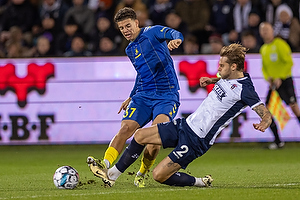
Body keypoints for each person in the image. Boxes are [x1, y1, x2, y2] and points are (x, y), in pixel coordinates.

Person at [87, 43, 272, 188]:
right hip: (186, 124)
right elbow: (228, 82)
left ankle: (199, 182)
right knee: (140, 135)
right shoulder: (229, 76)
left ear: (233, 66)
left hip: (197, 140)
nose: (218, 68)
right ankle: (112, 175)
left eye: (221, 66)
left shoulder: (246, 90)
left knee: (158, 175)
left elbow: (264, 112)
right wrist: (212, 79)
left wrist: (265, 121)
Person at [87, 7, 183, 187]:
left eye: (128, 25)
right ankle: (105, 165)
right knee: (125, 128)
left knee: (154, 138)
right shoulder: (130, 49)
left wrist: (177, 39)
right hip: (144, 95)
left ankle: (141, 173)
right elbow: (141, 73)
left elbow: (174, 32)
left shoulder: (152, 32)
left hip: (166, 95)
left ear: (136, 23)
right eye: (122, 28)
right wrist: (131, 96)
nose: (125, 30)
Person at [259, 22, 300, 149]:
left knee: (294, 107)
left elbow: (289, 63)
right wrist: (269, 78)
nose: (265, 32)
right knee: (266, 112)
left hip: (285, 81)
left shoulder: (280, 44)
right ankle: (278, 141)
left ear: (272, 31)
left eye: (267, 29)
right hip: (274, 84)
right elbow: (264, 69)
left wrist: (280, 77)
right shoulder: (263, 49)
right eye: (263, 30)